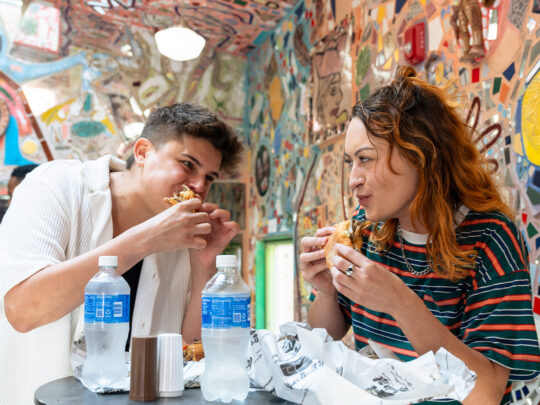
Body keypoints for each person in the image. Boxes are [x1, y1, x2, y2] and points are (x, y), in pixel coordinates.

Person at [300, 66, 540, 405]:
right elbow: (328, 333)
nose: (353, 178)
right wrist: (325, 292)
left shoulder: (489, 236)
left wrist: (399, 302)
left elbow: (485, 392)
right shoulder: (367, 228)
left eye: (365, 159)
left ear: (419, 155)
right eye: (350, 162)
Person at [0, 102, 243, 404]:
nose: (198, 185)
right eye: (188, 164)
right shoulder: (56, 186)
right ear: (142, 152)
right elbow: (24, 309)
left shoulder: (185, 238)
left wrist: (203, 265)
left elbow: (189, 353)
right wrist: (147, 238)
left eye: (209, 177)